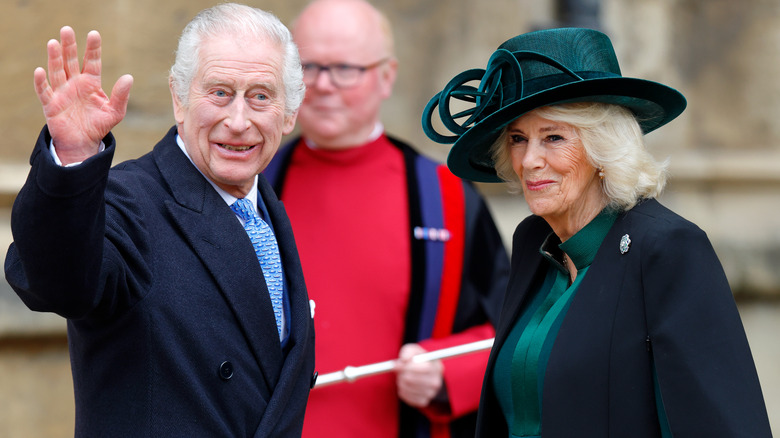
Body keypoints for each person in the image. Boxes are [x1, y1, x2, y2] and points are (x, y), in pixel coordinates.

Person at [422, 27, 773, 437]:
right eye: (518, 139)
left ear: (602, 148)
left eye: (553, 137)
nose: (530, 160)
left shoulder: (667, 248)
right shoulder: (533, 243)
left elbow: (720, 424)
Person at [3, 4, 316, 437]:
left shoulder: (268, 211)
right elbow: (58, 282)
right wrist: (73, 162)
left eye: (260, 96)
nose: (239, 121)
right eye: (220, 93)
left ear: (289, 113)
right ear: (179, 98)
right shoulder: (129, 200)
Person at [263, 0, 509, 437]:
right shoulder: (250, 187)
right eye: (306, 66)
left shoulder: (445, 194)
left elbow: (513, 326)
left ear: (386, 76)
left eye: (344, 68)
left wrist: (452, 372)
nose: (322, 84)